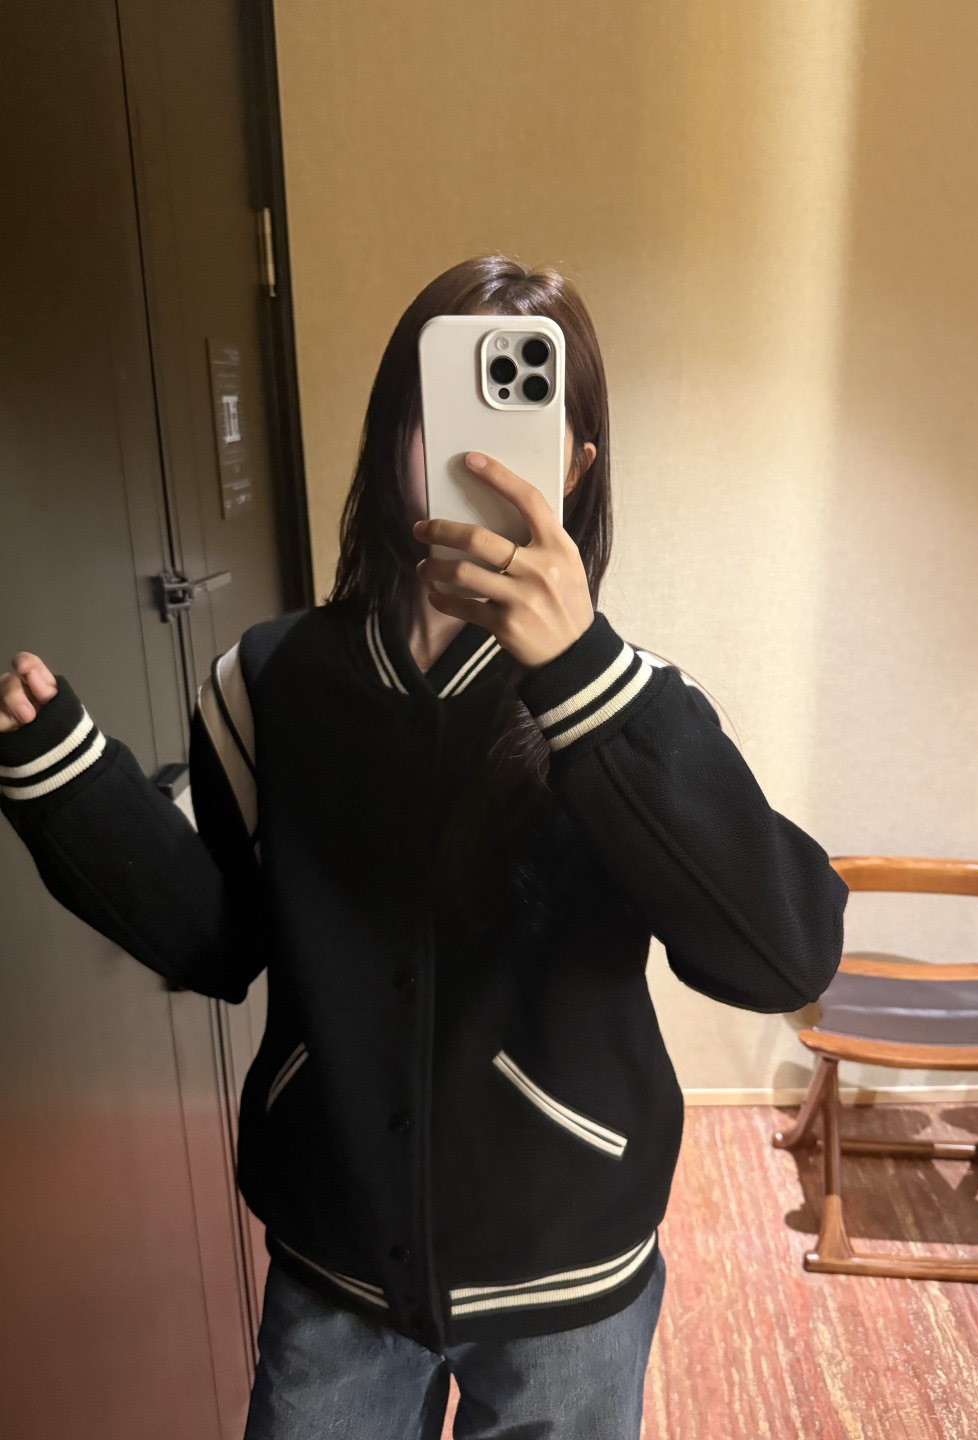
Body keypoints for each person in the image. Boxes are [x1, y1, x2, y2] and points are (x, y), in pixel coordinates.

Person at [0, 254, 849, 1438]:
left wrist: (582, 676)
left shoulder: (633, 710)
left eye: (521, 415)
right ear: (392, 438)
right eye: (438, 410)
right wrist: (68, 783)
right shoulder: (266, 683)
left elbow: (785, 957)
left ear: (576, 463)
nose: (475, 452)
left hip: (566, 1277)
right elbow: (218, 942)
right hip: (335, 1264)